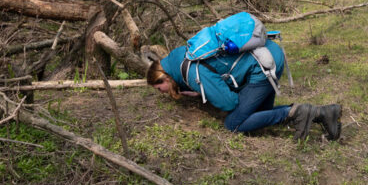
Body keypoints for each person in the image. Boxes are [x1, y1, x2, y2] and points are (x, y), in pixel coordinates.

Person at [146, 37, 342, 140]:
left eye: (159, 87)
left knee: (234, 123)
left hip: (262, 67)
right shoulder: (179, 55)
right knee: (257, 114)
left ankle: (298, 112)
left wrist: (206, 92)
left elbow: (229, 102)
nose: (161, 91)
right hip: (268, 53)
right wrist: (201, 91)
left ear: (164, 77)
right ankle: (324, 113)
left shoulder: (189, 72)